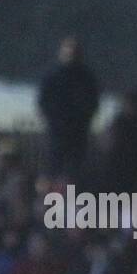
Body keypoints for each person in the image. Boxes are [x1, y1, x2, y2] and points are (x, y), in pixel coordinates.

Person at [37, 37, 100, 180]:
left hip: (78, 131)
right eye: (68, 52)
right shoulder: (52, 76)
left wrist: (83, 120)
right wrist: (53, 120)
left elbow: (92, 103)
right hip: (57, 131)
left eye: (74, 52)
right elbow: (44, 102)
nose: (71, 55)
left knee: (75, 170)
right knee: (54, 167)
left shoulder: (86, 77)